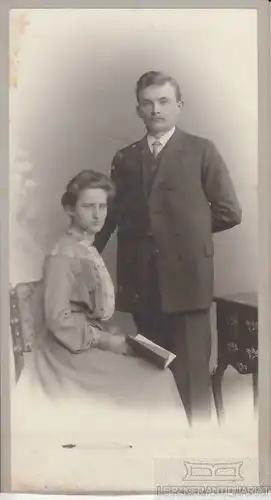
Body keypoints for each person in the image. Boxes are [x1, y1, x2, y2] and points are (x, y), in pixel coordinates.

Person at [94, 71, 242, 424]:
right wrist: (84, 255)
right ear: (138, 110)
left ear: (179, 106)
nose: (155, 109)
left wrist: (181, 233)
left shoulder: (202, 150)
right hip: (142, 283)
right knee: (152, 376)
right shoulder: (125, 158)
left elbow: (229, 211)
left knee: (192, 380)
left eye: (163, 101)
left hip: (187, 281)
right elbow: (110, 217)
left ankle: (201, 456)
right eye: (147, 103)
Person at [12, 170, 186, 439]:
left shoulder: (85, 247)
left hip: (87, 338)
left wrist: (111, 336)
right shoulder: (62, 255)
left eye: (102, 206)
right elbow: (58, 319)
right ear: (70, 209)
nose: (97, 215)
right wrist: (106, 341)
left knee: (157, 370)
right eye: (88, 206)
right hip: (66, 352)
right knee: (155, 380)